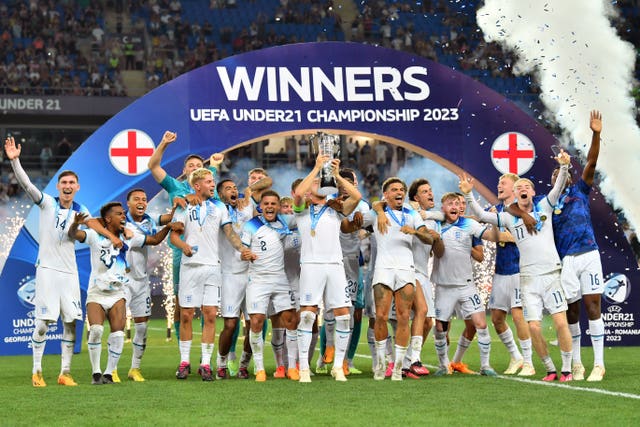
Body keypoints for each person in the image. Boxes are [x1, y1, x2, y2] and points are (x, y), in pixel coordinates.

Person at [5, 136, 120, 388]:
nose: (68, 186)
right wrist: (15, 162)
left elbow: (89, 229)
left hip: (69, 273)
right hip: (46, 270)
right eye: (64, 182)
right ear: (58, 186)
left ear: (77, 187)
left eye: (72, 183)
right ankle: (37, 371)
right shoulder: (47, 204)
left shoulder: (82, 209)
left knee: (70, 323)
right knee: (44, 324)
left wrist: (113, 236)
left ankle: (64, 372)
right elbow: (27, 186)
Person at [461, 149, 574, 382]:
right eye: (519, 188)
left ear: (533, 192)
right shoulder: (510, 218)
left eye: (526, 188)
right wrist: (469, 195)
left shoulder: (545, 207)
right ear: (515, 194)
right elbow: (482, 215)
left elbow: (559, 186)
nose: (523, 190)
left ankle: (567, 369)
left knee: (561, 322)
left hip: (551, 273)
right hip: (528, 278)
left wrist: (564, 167)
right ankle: (550, 368)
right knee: (533, 327)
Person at [521, 111, 605, 381]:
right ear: (553, 180)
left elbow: (591, 162)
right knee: (572, 310)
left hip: (589, 253)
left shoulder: (581, 189)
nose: (561, 175)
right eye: (556, 173)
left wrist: (596, 134)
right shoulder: (547, 203)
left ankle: (599, 365)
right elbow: (517, 206)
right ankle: (577, 364)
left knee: (593, 305)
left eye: (564, 171)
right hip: (565, 260)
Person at [68, 201, 169, 384]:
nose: (124, 217)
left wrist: (168, 226)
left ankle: (108, 373)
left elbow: (154, 240)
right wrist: (75, 223)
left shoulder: (129, 237)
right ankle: (96, 373)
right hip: (97, 292)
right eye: (119, 214)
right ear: (108, 219)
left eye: (124, 213)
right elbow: (73, 234)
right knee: (97, 330)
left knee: (117, 333)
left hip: (118, 293)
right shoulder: (94, 237)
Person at [169, 168, 249, 381]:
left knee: (210, 315)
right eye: (208, 182)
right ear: (197, 186)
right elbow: (173, 236)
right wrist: (184, 246)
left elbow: (229, 232)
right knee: (186, 315)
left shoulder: (220, 207)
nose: (213, 185)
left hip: (213, 267)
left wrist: (243, 249)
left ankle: (206, 363)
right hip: (190, 267)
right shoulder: (184, 205)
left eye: (213, 182)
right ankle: (184, 361)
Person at [147, 130, 223, 341]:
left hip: (210, 254)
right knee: (182, 302)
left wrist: (214, 165)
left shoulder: (211, 189)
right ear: (184, 171)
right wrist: (163, 143)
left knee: (208, 306)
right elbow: (153, 166)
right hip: (183, 253)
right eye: (191, 166)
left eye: (199, 166)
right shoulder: (175, 186)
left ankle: (205, 350)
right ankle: (184, 347)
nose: (195, 168)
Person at [292, 153, 362, 382]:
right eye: (315, 182)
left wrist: (335, 175)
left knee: (343, 316)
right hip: (311, 265)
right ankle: (303, 367)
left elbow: (357, 195)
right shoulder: (301, 210)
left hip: (335, 266)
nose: (318, 184)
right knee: (307, 316)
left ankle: (338, 367)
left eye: (321, 182)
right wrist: (315, 167)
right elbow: (300, 193)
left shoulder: (336, 208)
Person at [364, 177, 436, 380]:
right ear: (385, 194)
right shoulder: (375, 212)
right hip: (383, 268)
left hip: (406, 268)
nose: (399, 192)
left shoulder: (412, 214)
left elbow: (428, 237)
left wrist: (413, 231)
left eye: (402, 189)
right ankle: (380, 362)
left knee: (405, 317)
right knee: (381, 316)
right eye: (394, 189)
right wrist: (376, 210)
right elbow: (351, 225)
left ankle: (398, 367)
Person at [427, 192, 496, 377]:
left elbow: (486, 244)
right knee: (440, 328)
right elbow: (425, 215)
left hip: (467, 286)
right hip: (444, 286)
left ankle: (486, 366)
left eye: (458, 203)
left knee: (480, 324)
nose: (455, 206)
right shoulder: (436, 225)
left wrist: (496, 225)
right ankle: (444, 365)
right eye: (450, 203)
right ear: (443, 208)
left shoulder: (469, 225)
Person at [239, 190, 299, 381]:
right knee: (256, 321)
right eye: (266, 204)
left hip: (280, 278)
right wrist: (245, 253)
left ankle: (291, 368)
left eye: (274, 203)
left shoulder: (284, 222)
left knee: (291, 320)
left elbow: (302, 213)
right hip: (258, 279)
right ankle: (259, 368)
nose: (270, 207)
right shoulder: (252, 225)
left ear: (279, 207)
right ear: (261, 206)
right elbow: (242, 249)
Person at [121, 188, 177, 382]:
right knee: (118, 325)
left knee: (142, 327)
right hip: (121, 281)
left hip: (141, 281)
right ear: (127, 203)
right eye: (136, 199)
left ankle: (135, 369)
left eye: (144, 199)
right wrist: (170, 225)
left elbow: (167, 217)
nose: (141, 202)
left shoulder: (149, 219)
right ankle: (110, 369)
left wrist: (178, 207)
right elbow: (154, 239)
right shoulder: (121, 223)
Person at [485, 173, 535, 376]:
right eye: (498, 183)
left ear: (514, 188)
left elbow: (521, 237)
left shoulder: (522, 209)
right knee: (497, 318)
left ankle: (529, 361)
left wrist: (504, 235)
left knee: (517, 315)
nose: (498, 185)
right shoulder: (496, 211)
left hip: (518, 268)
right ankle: (516, 357)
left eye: (503, 183)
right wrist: (495, 228)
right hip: (501, 270)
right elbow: (496, 238)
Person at [215, 178, 254, 379]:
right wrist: (243, 249)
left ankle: (243, 365)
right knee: (230, 324)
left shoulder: (247, 206)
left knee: (254, 324)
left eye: (234, 188)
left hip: (251, 273)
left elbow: (267, 180)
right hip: (229, 274)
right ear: (220, 194)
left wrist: (248, 191)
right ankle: (221, 362)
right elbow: (229, 233)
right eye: (228, 188)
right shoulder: (218, 210)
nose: (233, 191)